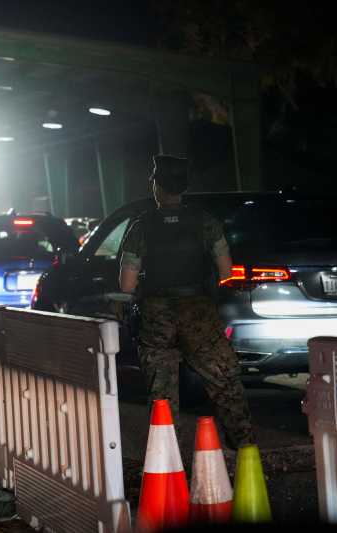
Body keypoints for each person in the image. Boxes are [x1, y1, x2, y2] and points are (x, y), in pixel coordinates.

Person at [118, 155, 255, 448]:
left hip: (156, 318)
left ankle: (168, 459)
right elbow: (226, 271)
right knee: (224, 382)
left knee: (162, 395)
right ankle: (245, 448)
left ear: (157, 186)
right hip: (199, 313)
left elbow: (127, 284)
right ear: (184, 187)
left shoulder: (141, 226)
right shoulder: (205, 221)